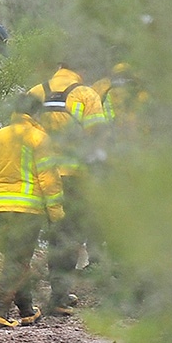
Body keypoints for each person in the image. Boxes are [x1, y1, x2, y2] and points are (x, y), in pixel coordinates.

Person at [0, 94, 64, 328]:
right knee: (17, 261)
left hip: (1, 210)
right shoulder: (39, 138)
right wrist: (55, 212)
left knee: (17, 259)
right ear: (35, 114)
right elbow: (48, 179)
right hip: (28, 210)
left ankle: (27, 310)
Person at [27, 64, 105, 316]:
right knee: (67, 235)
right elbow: (97, 137)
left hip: (38, 174)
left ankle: (21, 298)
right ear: (80, 70)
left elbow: (19, 131)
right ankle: (58, 296)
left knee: (30, 235)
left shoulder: (36, 91)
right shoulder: (86, 94)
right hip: (72, 178)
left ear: (59, 68)